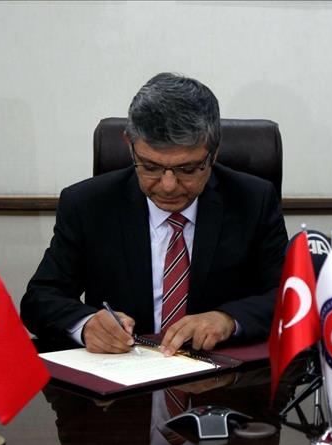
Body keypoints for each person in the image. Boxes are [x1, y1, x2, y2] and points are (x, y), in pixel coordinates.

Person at [21, 73, 288, 354]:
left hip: (218, 373)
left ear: (214, 152)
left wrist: (228, 320)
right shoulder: (87, 205)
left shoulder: (253, 201)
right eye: (150, 167)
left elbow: (287, 296)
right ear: (130, 146)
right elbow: (40, 299)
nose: (168, 185)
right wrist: (86, 325)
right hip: (124, 373)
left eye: (187, 169)